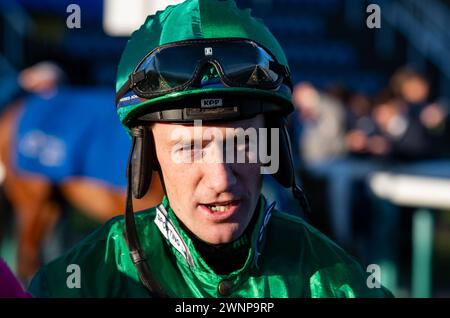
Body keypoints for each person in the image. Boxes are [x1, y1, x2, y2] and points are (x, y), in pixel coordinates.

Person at [28, 0, 392, 298]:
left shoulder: (339, 285)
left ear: (274, 149)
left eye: (243, 144)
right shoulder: (78, 283)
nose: (220, 178)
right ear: (147, 156)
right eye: (189, 148)